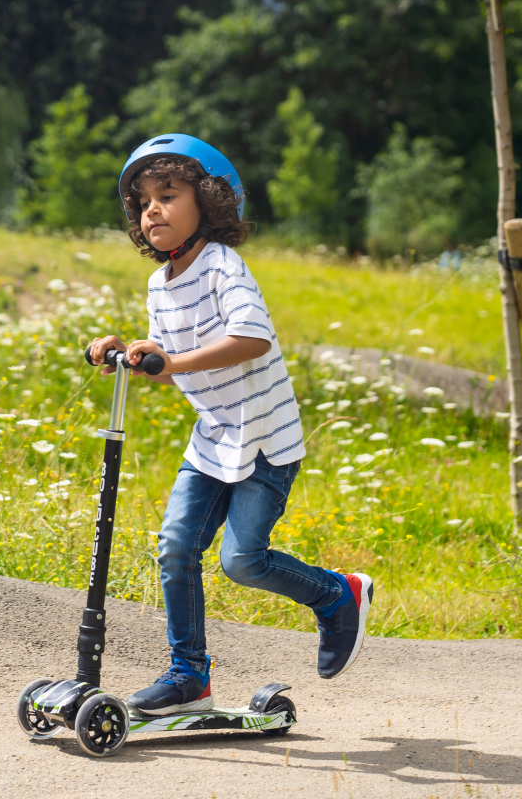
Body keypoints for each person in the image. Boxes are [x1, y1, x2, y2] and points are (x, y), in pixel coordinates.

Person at [88, 135, 373, 716]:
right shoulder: (158, 284)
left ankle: (338, 595)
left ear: (211, 203)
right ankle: (189, 675)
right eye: (142, 202)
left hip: (265, 437)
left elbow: (250, 338)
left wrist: (171, 360)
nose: (152, 210)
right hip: (214, 436)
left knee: (242, 560)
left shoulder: (223, 265)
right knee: (174, 547)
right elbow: (174, 365)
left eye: (167, 195)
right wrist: (138, 355)